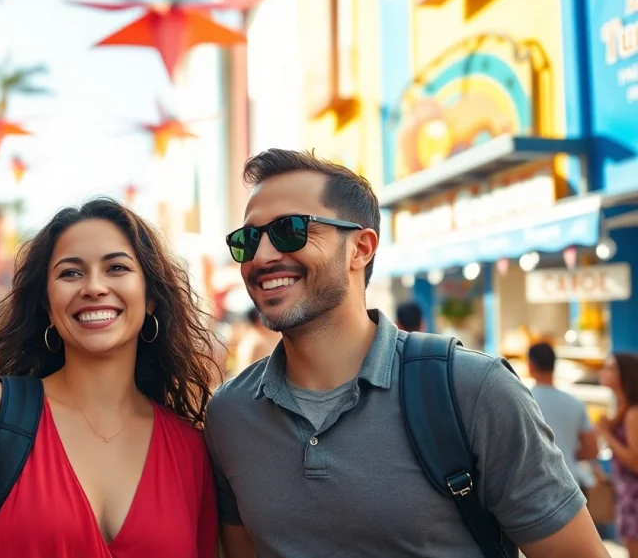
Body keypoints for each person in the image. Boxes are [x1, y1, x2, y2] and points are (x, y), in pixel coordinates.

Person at [208, 149, 606, 557]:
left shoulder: (472, 390)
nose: (262, 256)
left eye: (290, 230)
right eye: (248, 239)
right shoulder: (229, 414)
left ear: (361, 248)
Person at [0, 198, 219, 558]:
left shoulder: (192, 449)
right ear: (47, 306)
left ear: (150, 299)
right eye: (71, 273)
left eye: (117, 267)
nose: (94, 287)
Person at [528, 342, 600, 496]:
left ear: (530, 366)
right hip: (570, 485)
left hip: (535, 487)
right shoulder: (575, 403)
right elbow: (593, 450)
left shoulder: (524, 402)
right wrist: (567, 452)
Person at [597, 353, 638, 557]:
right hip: (627, 496)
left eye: (611, 367)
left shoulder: (632, 413)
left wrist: (606, 434)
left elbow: (635, 461)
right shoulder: (623, 409)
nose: (603, 371)